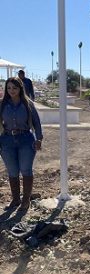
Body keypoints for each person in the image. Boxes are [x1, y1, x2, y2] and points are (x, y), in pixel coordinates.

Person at [0, 77, 43, 211]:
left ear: (20, 88)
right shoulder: (2, 104)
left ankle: (26, 200)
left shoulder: (28, 104)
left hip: (26, 140)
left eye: (15, 88)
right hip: (6, 141)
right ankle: (15, 199)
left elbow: (36, 123)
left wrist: (39, 139)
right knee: (12, 171)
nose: (12, 90)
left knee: (25, 170)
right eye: (9, 88)